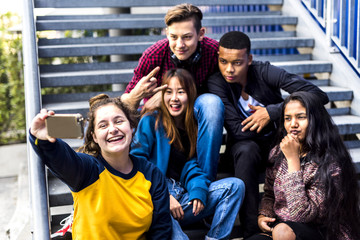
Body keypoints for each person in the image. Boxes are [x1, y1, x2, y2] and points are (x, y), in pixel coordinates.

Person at [207, 31, 329, 238]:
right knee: (246, 149)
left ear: (249, 59)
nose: (229, 69)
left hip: (280, 145)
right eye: (223, 61)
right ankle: (252, 231)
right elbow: (237, 131)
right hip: (244, 150)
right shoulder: (216, 83)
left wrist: (272, 112)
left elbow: (318, 95)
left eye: (237, 62)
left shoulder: (265, 72)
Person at [29, 95, 171, 239]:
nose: (113, 129)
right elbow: (62, 159)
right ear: (94, 136)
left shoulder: (151, 173)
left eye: (119, 121)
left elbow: (161, 230)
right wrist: (42, 139)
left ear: (132, 127)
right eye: (103, 125)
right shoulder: (88, 170)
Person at [131, 68, 245, 240]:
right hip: (157, 203)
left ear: (190, 96)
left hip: (183, 200)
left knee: (235, 186)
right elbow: (136, 164)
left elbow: (193, 167)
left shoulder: (193, 128)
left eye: (181, 92)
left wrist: (198, 190)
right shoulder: (150, 121)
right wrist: (163, 196)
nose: (174, 98)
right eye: (169, 92)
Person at [121, 3, 223, 181]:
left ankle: (205, 182)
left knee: (212, 104)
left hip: (196, 115)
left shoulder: (214, 51)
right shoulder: (154, 55)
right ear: (166, 33)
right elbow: (125, 103)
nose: (179, 45)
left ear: (201, 34)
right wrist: (139, 96)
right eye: (173, 37)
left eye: (187, 37)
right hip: (164, 120)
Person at [248, 91, 360, 240]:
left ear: (316, 120)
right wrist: (264, 214)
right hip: (284, 228)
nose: (293, 124)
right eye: (288, 118)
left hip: (323, 231)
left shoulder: (331, 163)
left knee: (282, 231)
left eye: (301, 117)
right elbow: (269, 193)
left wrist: (293, 161)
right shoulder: (278, 153)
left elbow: (302, 215)